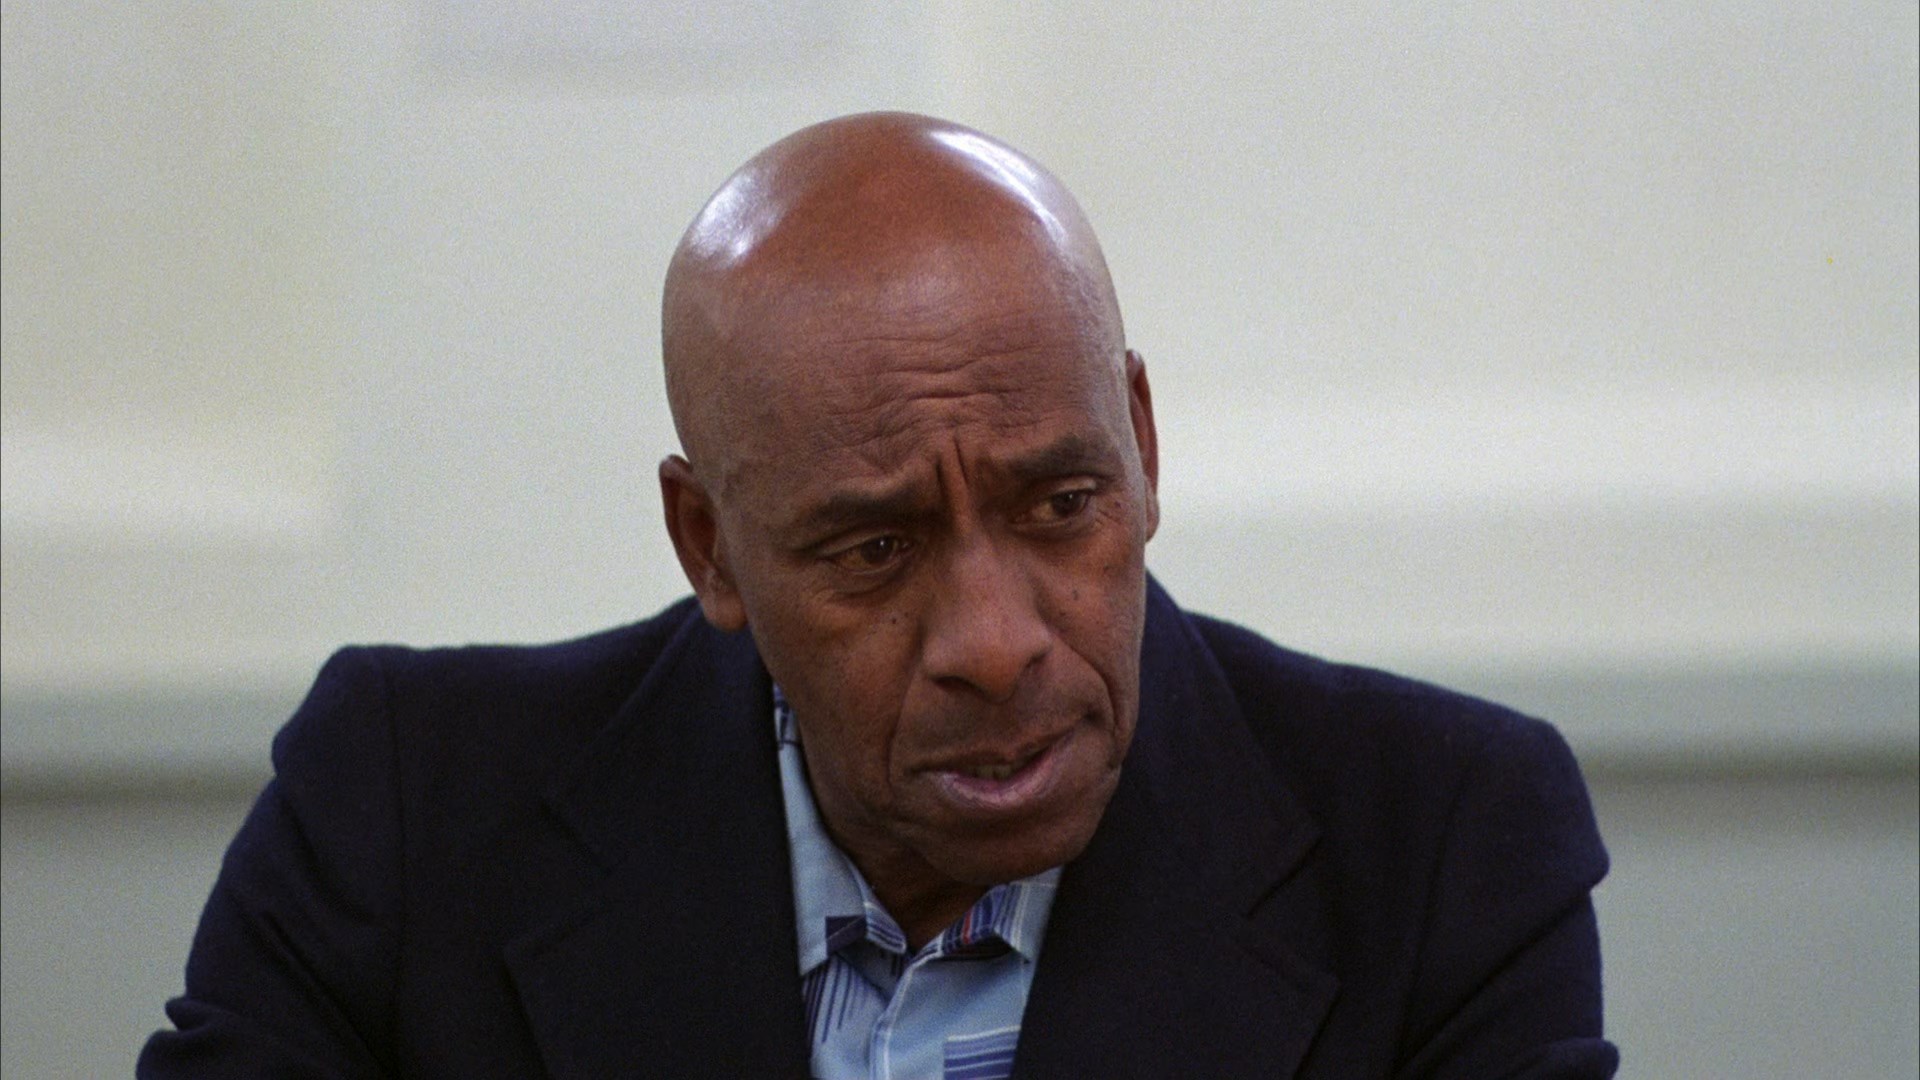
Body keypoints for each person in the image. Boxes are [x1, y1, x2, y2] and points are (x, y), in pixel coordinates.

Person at [139, 112, 1616, 1079]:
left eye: (1062, 506)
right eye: (874, 551)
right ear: (710, 546)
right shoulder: (405, 810)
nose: (995, 643)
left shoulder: (1443, 845)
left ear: (1143, 450)